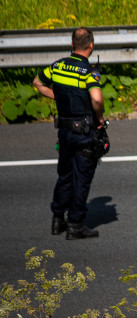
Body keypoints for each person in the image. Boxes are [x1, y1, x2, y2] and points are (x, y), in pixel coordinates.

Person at [32, 26, 105, 240]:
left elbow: (37, 82)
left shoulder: (58, 66)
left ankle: (57, 219)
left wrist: (60, 97)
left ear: (72, 45)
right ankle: (75, 224)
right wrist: (100, 118)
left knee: (64, 175)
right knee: (81, 178)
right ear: (91, 46)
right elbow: (97, 98)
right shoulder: (88, 71)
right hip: (84, 131)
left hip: (63, 131)